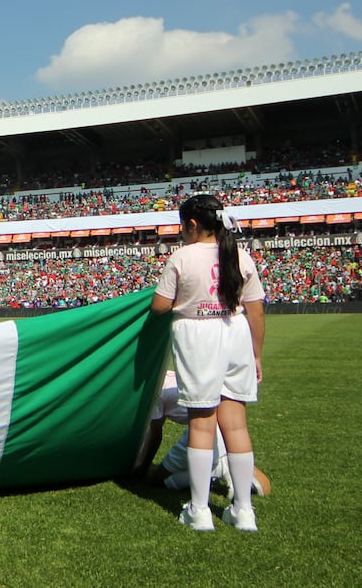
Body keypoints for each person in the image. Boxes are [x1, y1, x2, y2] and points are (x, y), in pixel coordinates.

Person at [151, 194, 266, 532]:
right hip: (236, 334)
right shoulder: (241, 256)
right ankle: (243, 510)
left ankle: (199, 510)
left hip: (198, 336)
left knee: (202, 422)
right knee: (236, 425)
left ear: (192, 224)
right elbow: (255, 310)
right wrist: (256, 354)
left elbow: (160, 306)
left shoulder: (182, 257)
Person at [135, 371, 271, 499]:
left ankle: (214, 470)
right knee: (264, 486)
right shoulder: (169, 376)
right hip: (223, 426)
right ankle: (223, 466)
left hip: (203, 428)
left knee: (159, 480)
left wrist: (142, 468)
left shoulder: (154, 390)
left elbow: (155, 432)